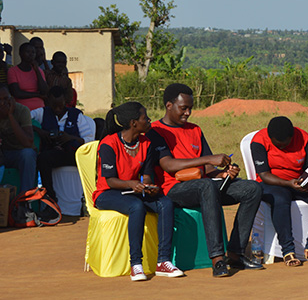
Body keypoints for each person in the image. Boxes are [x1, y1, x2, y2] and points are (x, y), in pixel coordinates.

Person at [148, 83, 264, 277]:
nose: (188, 113)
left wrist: (223, 174)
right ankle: (217, 259)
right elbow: (168, 165)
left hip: (205, 185)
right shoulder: (156, 131)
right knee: (206, 186)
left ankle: (235, 253)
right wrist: (209, 159)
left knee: (252, 189)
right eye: (183, 108)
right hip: (175, 189)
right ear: (169, 105)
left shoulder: (195, 130)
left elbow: (209, 170)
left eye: (190, 108)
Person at [94, 102, 184, 281]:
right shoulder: (108, 144)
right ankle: (136, 264)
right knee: (136, 206)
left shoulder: (146, 143)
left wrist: (149, 187)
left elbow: (147, 174)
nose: (149, 120)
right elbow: (110, 180)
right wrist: (132, 184)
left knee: (165, 203)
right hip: (107, 193)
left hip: (134, 189)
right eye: (145, 117)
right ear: (134, 123)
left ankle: (163, 261)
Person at [250, 116, 308, 266]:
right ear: (270, 137)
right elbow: (264, 175)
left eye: (285, 144)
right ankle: (288, 250)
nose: (282, 148)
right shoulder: (259, 141)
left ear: (292, 136)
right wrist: (288, 183)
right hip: (270, 184)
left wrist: (307, 181)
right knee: (280, 198)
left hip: (297, 182)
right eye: (278, 145)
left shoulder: (303, 137)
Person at [31, 86, 96, 202]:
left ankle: (87, 198)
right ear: (49, 101)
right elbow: (25, 119)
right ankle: (50, 198)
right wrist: (40, 131)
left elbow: (90, 139)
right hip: (53, 153)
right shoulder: (43, 112)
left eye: (60, 106)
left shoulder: (76, 115)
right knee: (42, 159)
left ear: (65, 101)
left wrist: (70, 138)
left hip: (73, 154)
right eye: (54, 106)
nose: (57, 109)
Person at [0, 85, 37, 189]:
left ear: (11, 98)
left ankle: (25, 198)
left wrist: (10, 115)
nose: (2, 103)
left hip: (18, 154)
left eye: (6, 99)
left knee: (28, 154)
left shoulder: (22, 110)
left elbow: (28, 143)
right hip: (2, 154)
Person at [7, 42, 48, 110]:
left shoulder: (39, 70)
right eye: (28, 52)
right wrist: (37, 95)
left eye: (33, 52)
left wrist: (37, 71)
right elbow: (16, 93)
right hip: (21, 110)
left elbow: (44, 91)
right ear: (20, 53)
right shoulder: (13, 71)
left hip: (39, 109)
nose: (31, 54)